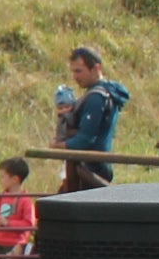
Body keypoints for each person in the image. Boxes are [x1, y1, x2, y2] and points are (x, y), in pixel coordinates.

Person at [55, 44, 130, 191]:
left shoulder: (96, 97)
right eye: (73, 71)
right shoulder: (101, 93)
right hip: (93, 166)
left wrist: (58, 146)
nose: (75, 77)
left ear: (96, 69)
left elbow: (85, 139)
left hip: (90, 169)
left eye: (79, 71)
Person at [0, 156, 37, 255]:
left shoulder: (25, 201)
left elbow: (29, 224)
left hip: (16, 245)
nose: (0, 180)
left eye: (2, 177)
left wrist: (8, 223)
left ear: (14, 179)